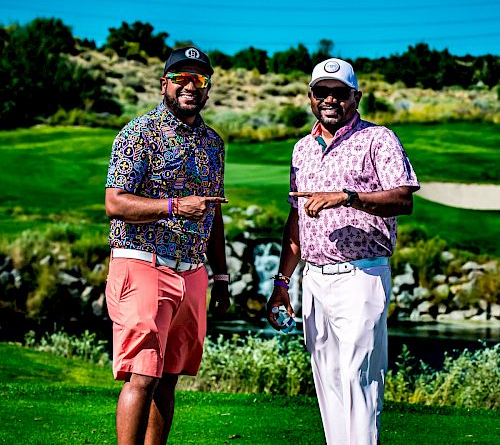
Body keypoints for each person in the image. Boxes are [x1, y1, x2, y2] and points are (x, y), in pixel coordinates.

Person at [267, 58, 419, 445]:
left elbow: (403, 199)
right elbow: (296, 217)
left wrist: (348, 197)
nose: (330, 99)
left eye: (340, 93)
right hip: (314, 279)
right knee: (329, 379)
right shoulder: (302, 149)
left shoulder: (378, 139)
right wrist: (283, 282)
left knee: (359, 377)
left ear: (356, 97)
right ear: (311, 97)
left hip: (362, 274)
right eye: (322, 92)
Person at [105, 47, 230, 444]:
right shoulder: (138, 133)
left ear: (208, 88)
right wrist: (175, 206)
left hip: (192, 271)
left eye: (200, 79)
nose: (191, 86)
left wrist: (222, 275)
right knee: (142, 374)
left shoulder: (213, 143)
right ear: (165, 84)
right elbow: (115, 202)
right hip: (142, 262)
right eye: (181, 78)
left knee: (169, 377)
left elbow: (215, 215)